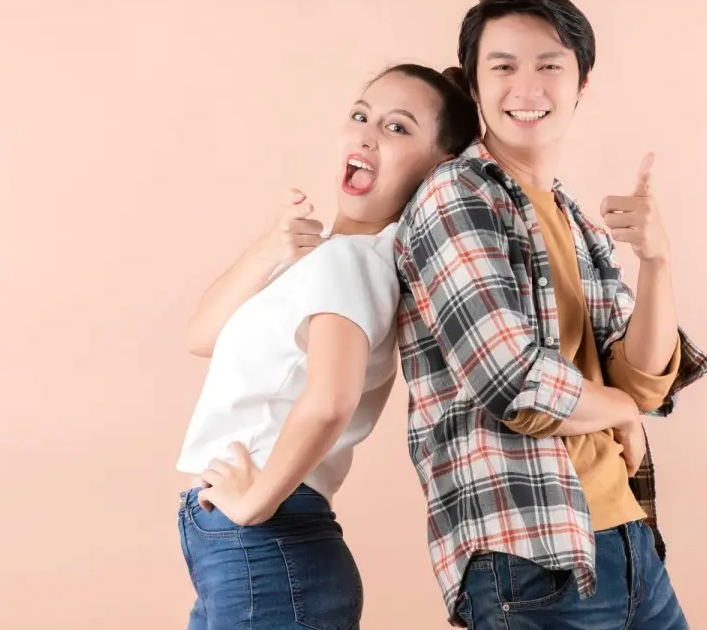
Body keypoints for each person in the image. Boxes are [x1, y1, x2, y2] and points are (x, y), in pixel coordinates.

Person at [392, 0, 707, 629]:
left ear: (581, 82)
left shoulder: (574, 218)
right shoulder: (455, 196)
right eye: (503, 66)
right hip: (530, 554)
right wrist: (619, 411)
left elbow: (643, 381)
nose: (527, 87)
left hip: (628, 536)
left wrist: (657, 261)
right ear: (474, 85)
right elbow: (513, 381)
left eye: (549, 65)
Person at [174, 63, 479, 630]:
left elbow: (330, 401)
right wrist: (271, 247)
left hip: (265, 542)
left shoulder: (350, 262)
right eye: (361, 115)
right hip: (248, 550)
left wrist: (254, 504)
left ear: (438, 167)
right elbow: (202, 335)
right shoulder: (328, 259)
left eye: (397, 127)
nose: (366, 135)